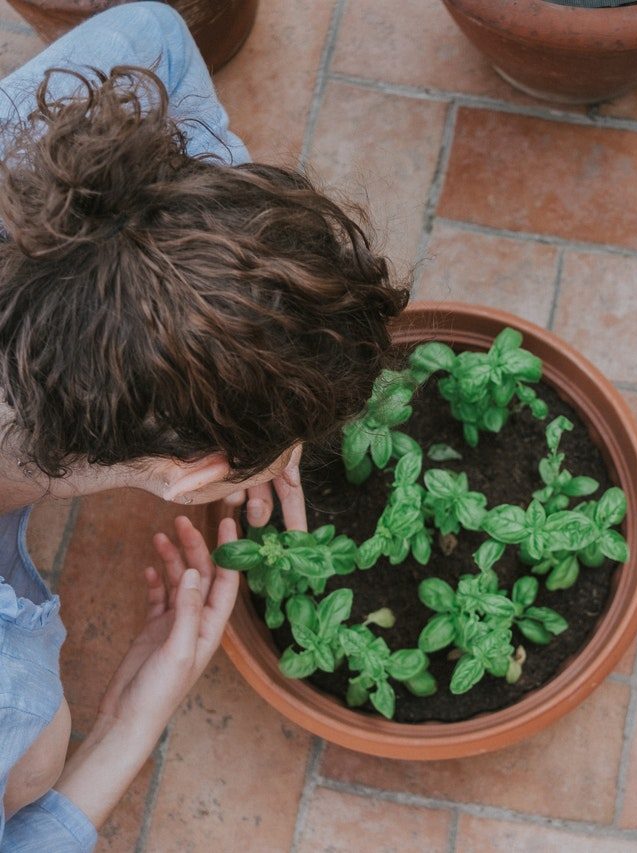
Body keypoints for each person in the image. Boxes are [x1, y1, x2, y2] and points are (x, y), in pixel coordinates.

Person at [0, 4, 407, 850]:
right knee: (37, 755)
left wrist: (225, 314)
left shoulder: (25, 145)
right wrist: (125, 728)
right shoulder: (11, 698)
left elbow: (156, 31)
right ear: (191, 478)